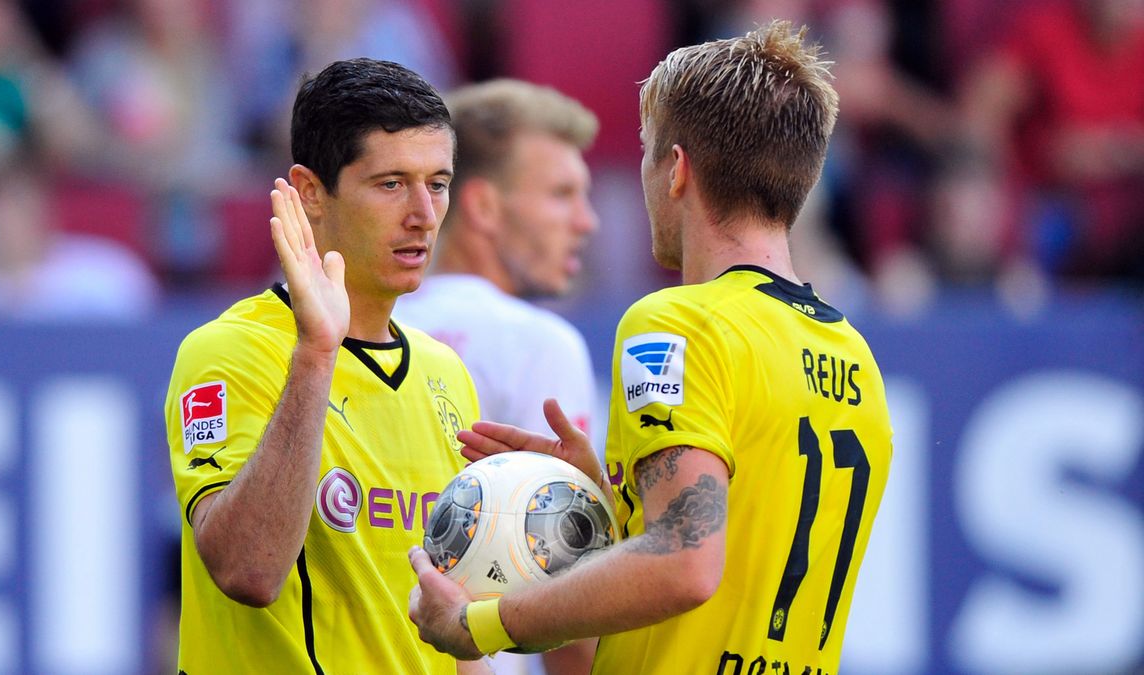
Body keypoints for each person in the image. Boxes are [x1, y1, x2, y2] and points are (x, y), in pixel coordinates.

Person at [407, 21, 894, 674]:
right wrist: (613, 501)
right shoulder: (853, 353)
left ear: (677, 170)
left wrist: (482, 623)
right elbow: (741, 551)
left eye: (646, 152)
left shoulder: (676, 324)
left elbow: (686, 561)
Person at [164, 58, 487, 674]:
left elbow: (453, 626)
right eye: (391, 183)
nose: (422, 213)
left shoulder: (446, 373)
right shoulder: (228, 351)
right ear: (311, 193)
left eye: (438, 183)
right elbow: (248, 570)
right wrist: (316, 353)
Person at [394, 78, 601, 675]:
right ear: (482, 206)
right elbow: (566, 570)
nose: (585, 221)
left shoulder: (352, 324)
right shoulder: (540, 343)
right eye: (562, 194)